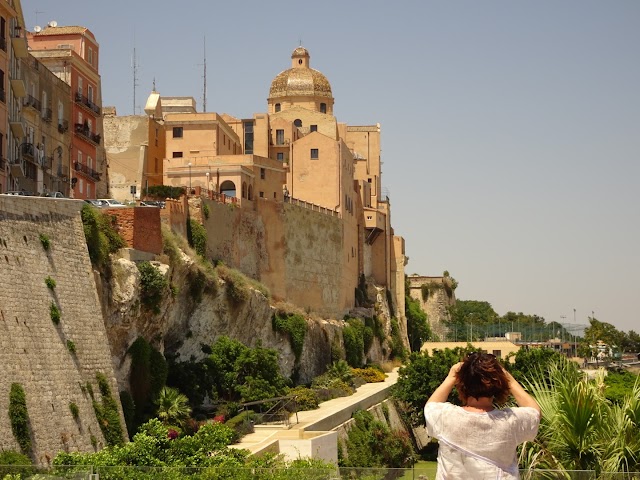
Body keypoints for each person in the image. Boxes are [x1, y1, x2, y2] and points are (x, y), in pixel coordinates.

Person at [424, 352, 541, 479]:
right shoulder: (510, 421)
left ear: (462, 384)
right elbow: (534, 412)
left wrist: (451, 377)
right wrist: (508, 379)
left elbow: (430, 406)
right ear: (498, 384)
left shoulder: (445, 417)